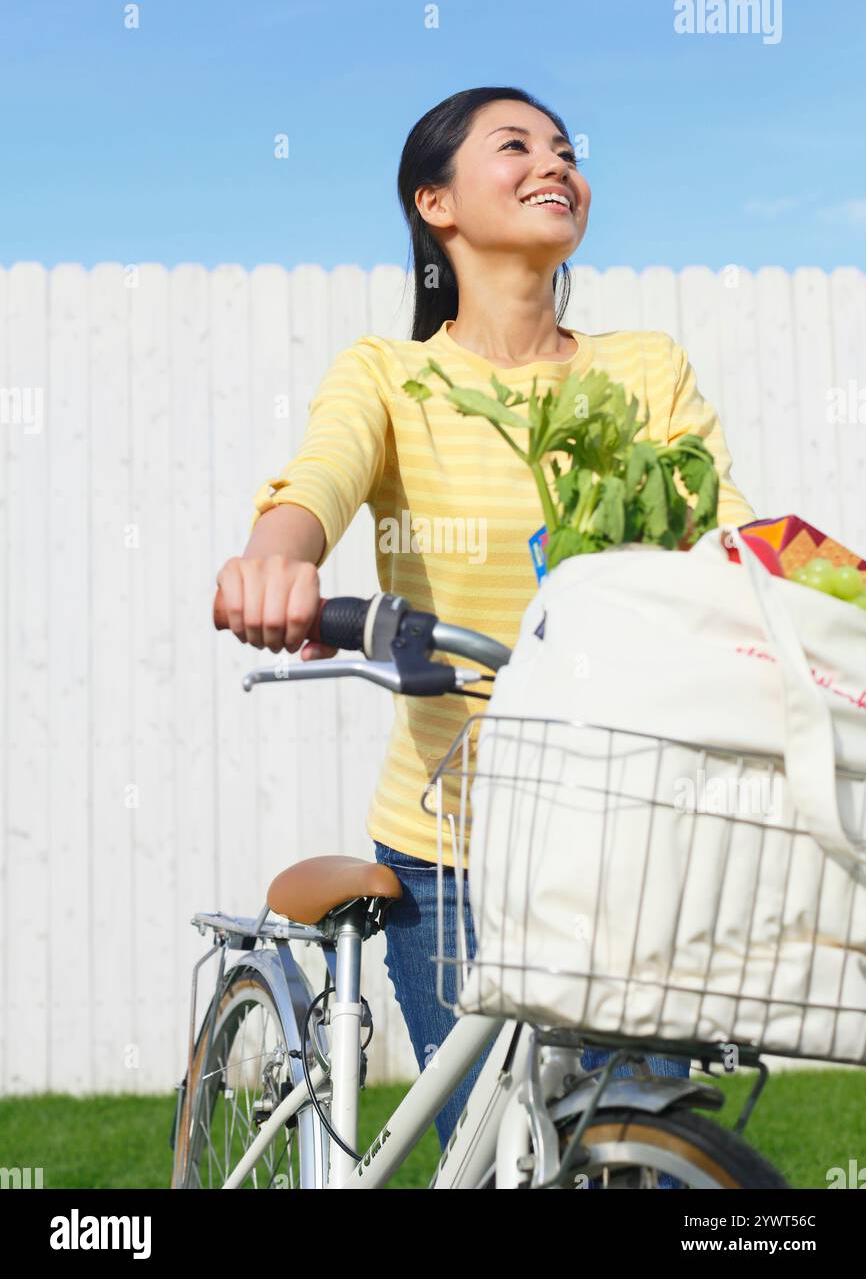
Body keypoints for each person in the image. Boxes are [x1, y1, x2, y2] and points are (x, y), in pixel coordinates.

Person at [216, 86, 756, 1181]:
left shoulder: (641, 370)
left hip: (629, 830)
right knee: (502, 1157)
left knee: (630, 1152)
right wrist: (281, 554)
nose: (553, 162)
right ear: (435, 201)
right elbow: (319, 475)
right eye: (514, 146)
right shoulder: (393, 375)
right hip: (455, 846)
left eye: (564, 149)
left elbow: (726, 532)